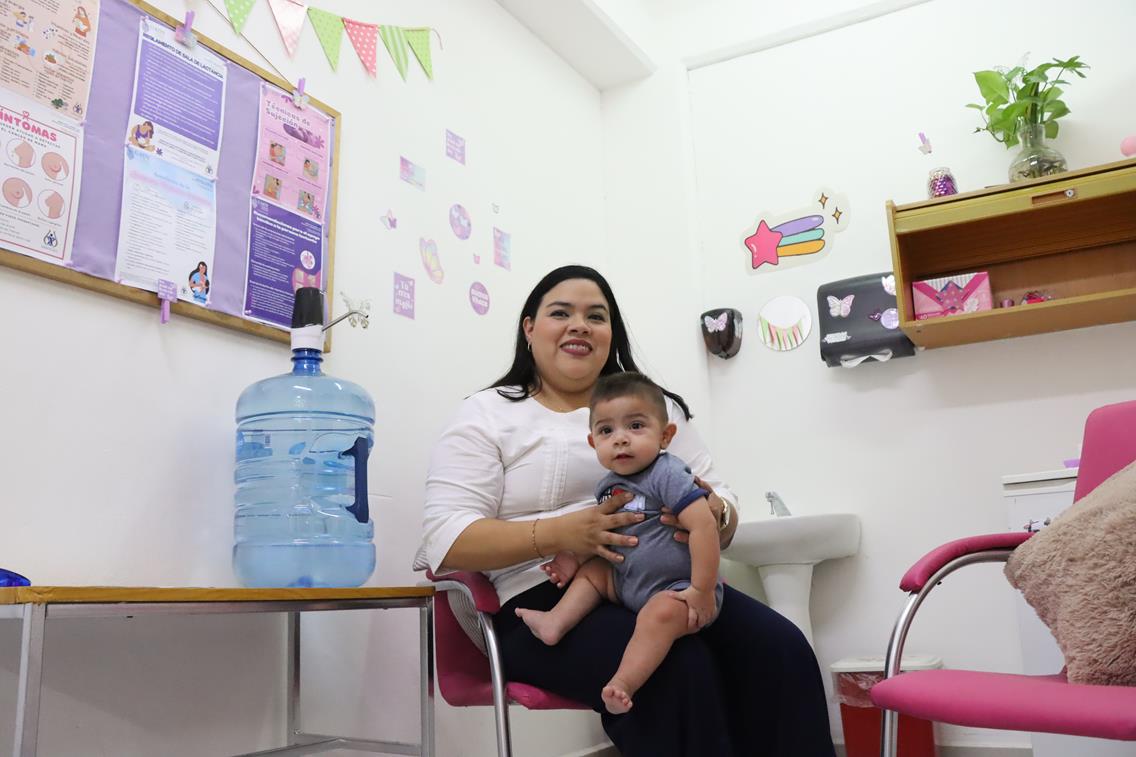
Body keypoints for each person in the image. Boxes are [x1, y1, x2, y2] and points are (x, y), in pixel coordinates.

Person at [414, 265, 835, 756]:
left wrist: (712, 512)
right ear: (529, 328)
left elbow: (723, 503)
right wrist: (564, 533)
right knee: (675, 668)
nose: (579, 325)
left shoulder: (654, 408)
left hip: (664, 581)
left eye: (596, 316)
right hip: (543, 598)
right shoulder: (487, 413)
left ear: (611, 333)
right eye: (560, 313)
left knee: (779, 648)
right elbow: (447, 537)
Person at [516, 371, 723, 715]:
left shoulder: (667, 473)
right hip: (627, 582)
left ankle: (624, 682)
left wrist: (701, 590)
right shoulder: (607, 486)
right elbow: (601, 536)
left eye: (636, 426)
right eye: (606, 431)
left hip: (676, 590)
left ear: (666, 435)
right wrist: (571, 559)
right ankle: (555, 621)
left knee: (659, 615)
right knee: (595, 571)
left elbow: (704, 527)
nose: (621, 440)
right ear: (592, 442)